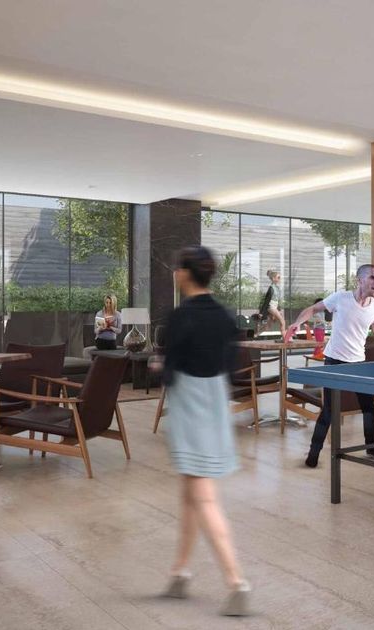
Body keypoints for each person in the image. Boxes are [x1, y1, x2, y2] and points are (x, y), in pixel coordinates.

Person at [158, 246, 250, 616]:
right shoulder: (226, 316)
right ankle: (179, 573)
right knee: (191, 496)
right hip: (215, 408)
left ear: (184, 274)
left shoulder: (180, 316)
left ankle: (236, 582)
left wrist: (159, 366)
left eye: (177, 269)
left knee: (204, 498)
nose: (175, 274)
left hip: (190, 411)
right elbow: (230, 364)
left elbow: (170, 369)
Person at [286, 264, 374, 468]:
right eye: (373, 278)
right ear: (359, 280)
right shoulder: (341, 298)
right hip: (334, 361)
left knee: (368, 408)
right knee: (329, 410)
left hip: (358, 364)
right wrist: (297, 323)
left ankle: (372, 447)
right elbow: (313, 309)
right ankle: (313, 452)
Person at [257, 270, 286, 337]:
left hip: (274, 307)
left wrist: (279, 309)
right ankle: (284, 337)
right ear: (273, 278)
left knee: (268, 326)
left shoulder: (277, 288)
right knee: (282, 321)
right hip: (271, 307)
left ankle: (255, 334)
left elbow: (277, 300)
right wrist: (261, 312)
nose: (279, 279)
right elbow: (266, 301)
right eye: (278, 277)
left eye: (279, 277)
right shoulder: (271, 288)